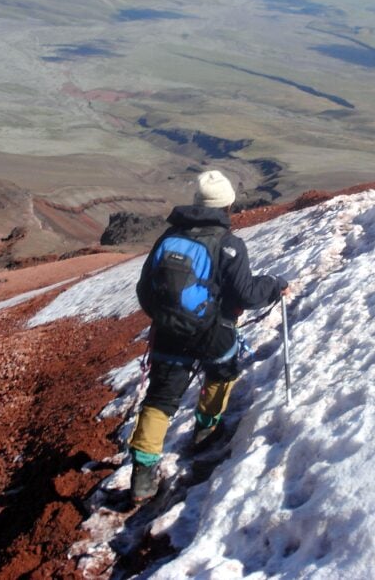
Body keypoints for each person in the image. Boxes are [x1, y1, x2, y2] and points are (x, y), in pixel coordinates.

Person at [129, 170, 289, 502]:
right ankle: (206, 429)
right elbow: (246, 294)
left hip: (169, 332)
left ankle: (143, 477)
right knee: (221, 373)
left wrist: (164, 318)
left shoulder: (169, 238)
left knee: (160, 400)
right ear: (227, 205)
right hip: (214, 333)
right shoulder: (229, 245)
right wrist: (275, 284)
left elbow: (144, 288)